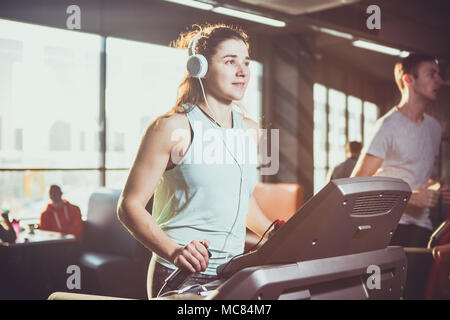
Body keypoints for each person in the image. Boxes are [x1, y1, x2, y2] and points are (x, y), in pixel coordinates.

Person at [117, 23, 273, 298]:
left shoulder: (249, 131)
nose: (243, 71)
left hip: (232, 271)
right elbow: (129, 206)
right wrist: (175, 251)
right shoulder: (171, 128)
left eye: (246, 62)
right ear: (199, 67)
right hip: (181, 274)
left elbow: (241, 202)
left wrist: (275, 233)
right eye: (230, 61)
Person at [351, 53, 444, 248]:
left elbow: (419, 174)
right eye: (431, 74)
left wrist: (435, 188)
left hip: (423, 227)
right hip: (390, 226)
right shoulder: (387, 126)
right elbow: (357, 184)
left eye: (439, 75)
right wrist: (411, 198)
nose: (440, 81)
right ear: (408, 79)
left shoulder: (434, 128)